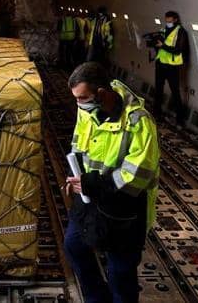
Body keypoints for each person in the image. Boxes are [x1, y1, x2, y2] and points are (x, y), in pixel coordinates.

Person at [64, 62, 160, 303]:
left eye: (83, 98)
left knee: (120, 271)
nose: (79, 104)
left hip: (124, 208)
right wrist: (76, 175)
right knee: (74, 246)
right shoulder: (86, 112)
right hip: (89, 198)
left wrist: (93, 184)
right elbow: (78, 143)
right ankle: (97, 299)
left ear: (102, 93)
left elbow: (138, 174)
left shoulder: (138, 122)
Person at [153, 11, 189, 125]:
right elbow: (159, 46)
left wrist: (163, 45)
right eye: (166, 20)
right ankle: (156, 113)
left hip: (172, 67)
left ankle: (180, 119)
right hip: (160, 64)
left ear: (175, 20)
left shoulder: (181, 32)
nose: (167, 22)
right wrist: (154, 44)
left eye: (170, 20)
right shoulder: (163, 30)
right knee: (158, 90)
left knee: (175, 92)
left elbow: (178, 50)